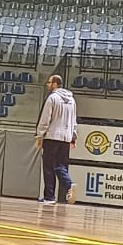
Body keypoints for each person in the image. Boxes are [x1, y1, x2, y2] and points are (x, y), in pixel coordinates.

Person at [35, 74, 77, 205]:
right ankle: (68, 185)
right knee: (60, 166)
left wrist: (39, 136)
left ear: (54, 84)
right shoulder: (72, 100)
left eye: (49, 82)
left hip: (52, 137)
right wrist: (73, 137)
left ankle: (49, 197)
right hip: (66, 138)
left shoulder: (52, 98)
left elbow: (45, 119)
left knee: (48, 167)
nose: (47, 85)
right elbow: (74, 121)